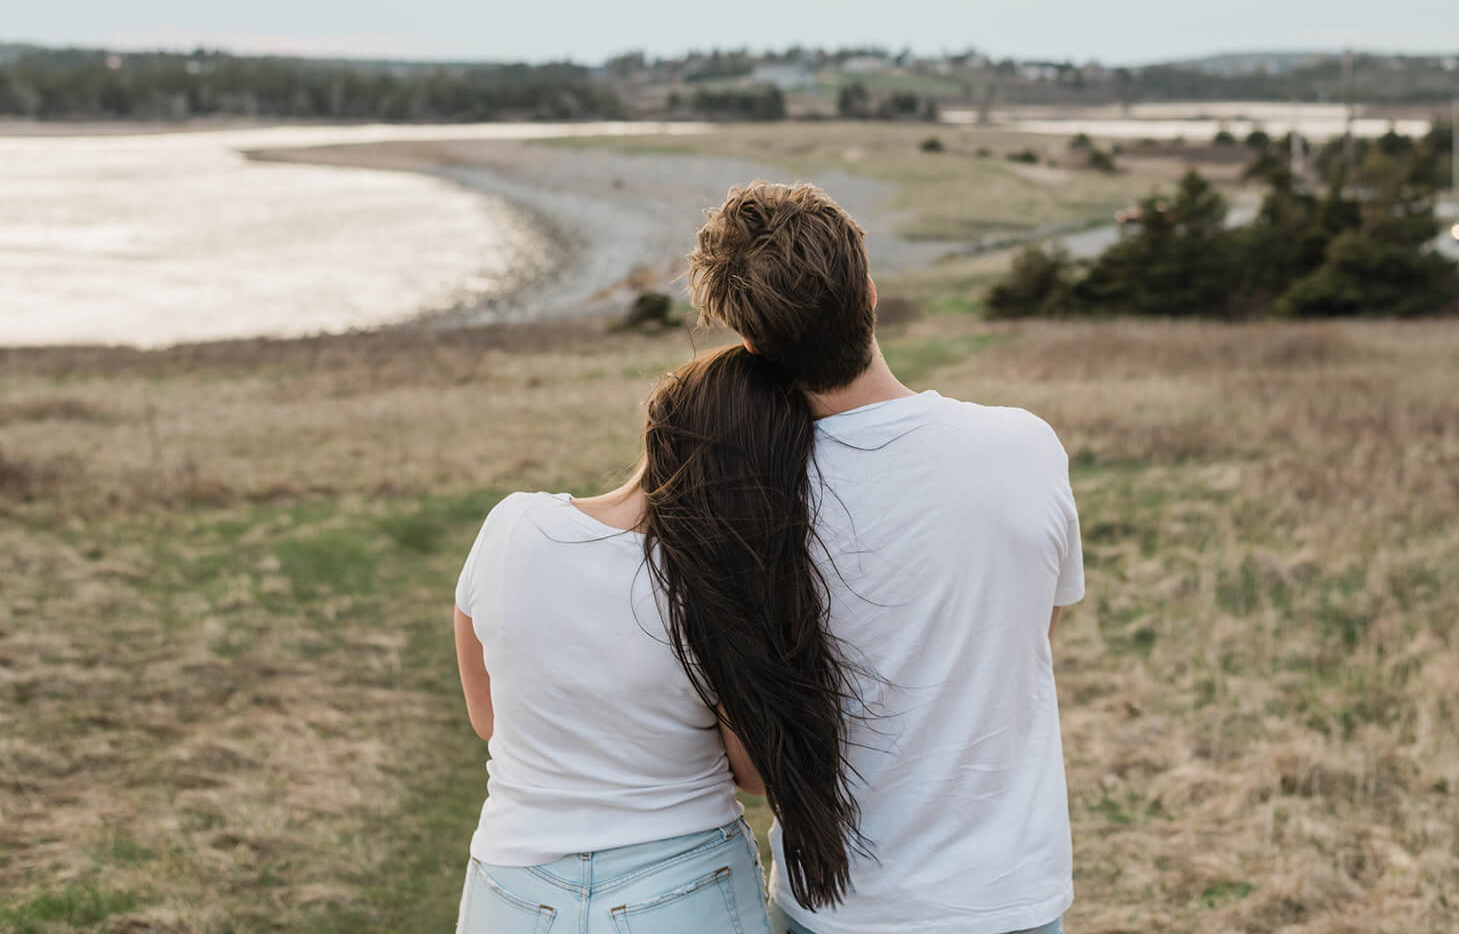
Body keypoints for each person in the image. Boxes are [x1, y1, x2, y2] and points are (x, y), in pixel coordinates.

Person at [688, 181, 1085, 934]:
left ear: (753, 346)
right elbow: (1032, 635)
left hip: (833, 911)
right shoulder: (1025, 447)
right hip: (1007, 901)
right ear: (869, 291)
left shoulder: (746, 505)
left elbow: (748, 762)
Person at [451, 345, 865, 933]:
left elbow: (489, 718)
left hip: (512, 887)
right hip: (682, 886)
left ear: (656, 424)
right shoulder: (724, 587)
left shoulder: (510, 525)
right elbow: (752, 775)